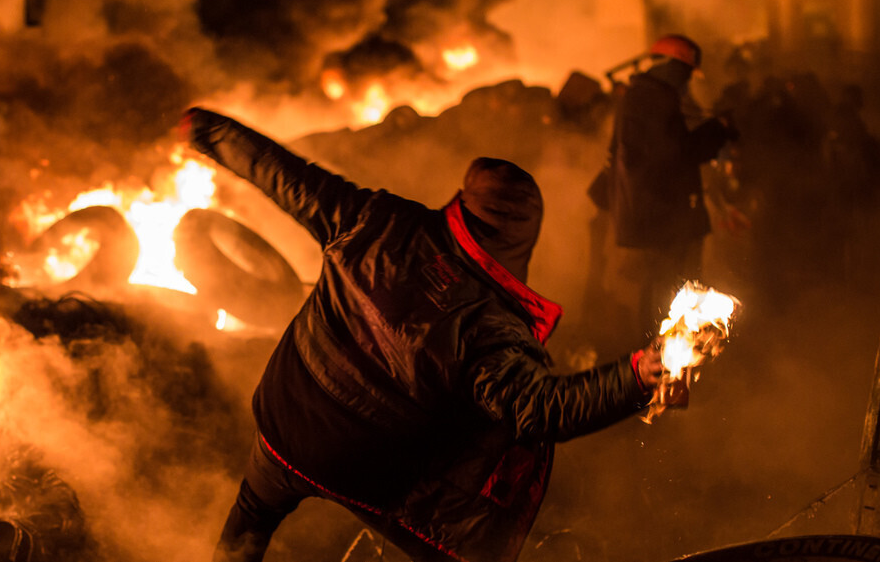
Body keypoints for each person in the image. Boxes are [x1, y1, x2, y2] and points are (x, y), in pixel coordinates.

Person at [179, 107, 666, 562]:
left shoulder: (376, 218)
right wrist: (636, 375)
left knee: (251, 519)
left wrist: (210, 131)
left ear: (464, 199)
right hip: (370, 471)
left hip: (285, 423)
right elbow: (542, 409)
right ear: (523, 237)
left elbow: (285, 173)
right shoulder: (492, 324)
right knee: (467, 551)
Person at [605, 34, 737, 336]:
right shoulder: (653, 98)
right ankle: (663, 354)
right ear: (673, 67)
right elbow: (676, 153)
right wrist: (716, 131)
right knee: (668, 287)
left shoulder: (642, 95)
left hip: (655, 212)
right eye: (686, 72)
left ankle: (659, 351)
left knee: (661, 285)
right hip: (662, 214)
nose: (687, 80)